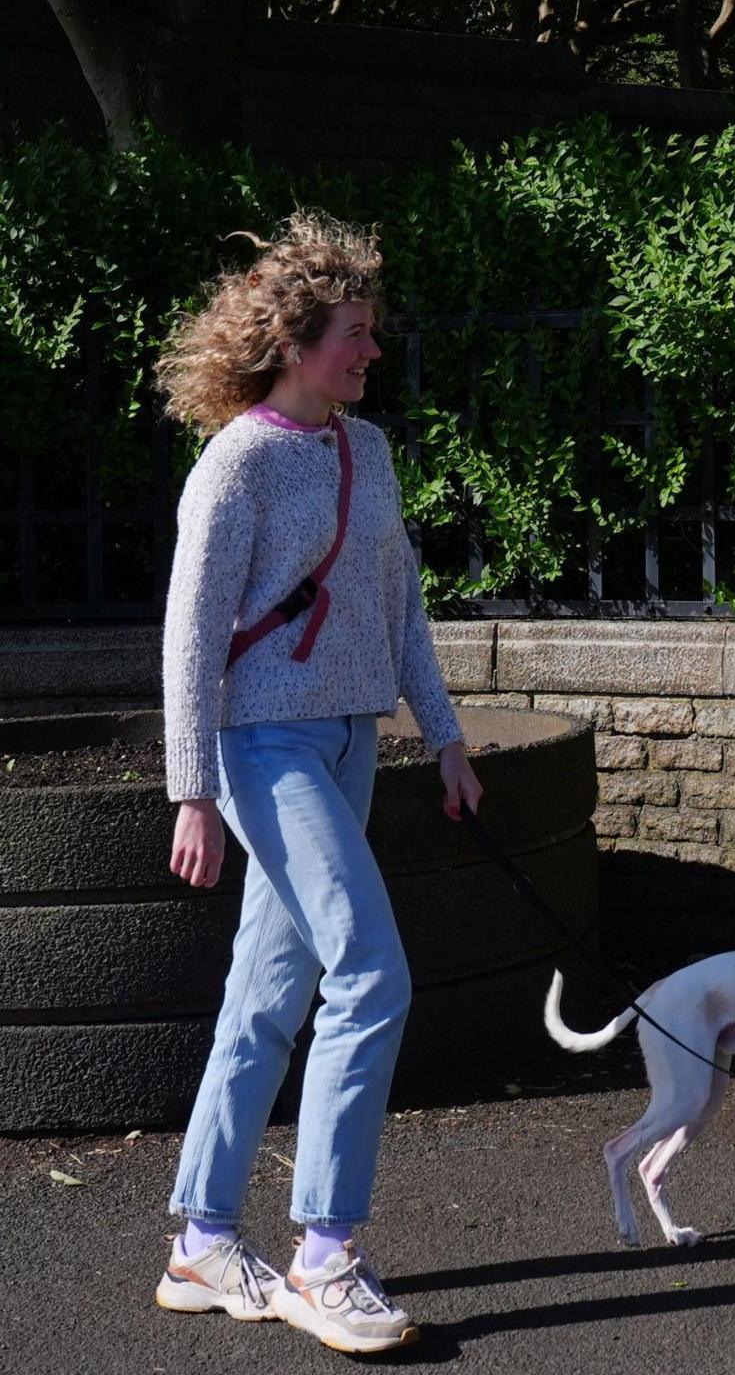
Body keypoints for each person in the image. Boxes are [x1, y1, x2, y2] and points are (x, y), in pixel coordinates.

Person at [151, 212, 481, 1356]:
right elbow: (191, 637)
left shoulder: (367, 451)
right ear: (294, 341)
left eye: (373, 334)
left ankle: (200, 1240)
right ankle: (324, 1253)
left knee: (265, 998)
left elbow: (399, 609)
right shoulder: (235, 462)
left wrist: (441, 737)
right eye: (355, 333)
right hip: (264, 746)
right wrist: (192, 787)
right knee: (373, 971)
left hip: (347, 742)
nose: (370, 352)